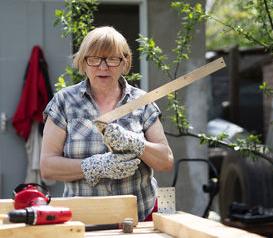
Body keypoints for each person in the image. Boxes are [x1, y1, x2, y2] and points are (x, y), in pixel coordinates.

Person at [40, 26, 174, 221]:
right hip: (83, 219)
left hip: (139, 217)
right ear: (83, 62)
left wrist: (136, 144)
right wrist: (93, 166)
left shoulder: (142, 102)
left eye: (112, 59)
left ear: (125, 62)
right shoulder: (64, 102)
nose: (103, 67)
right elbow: (48, 166)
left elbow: (166, 160)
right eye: (94, 59)